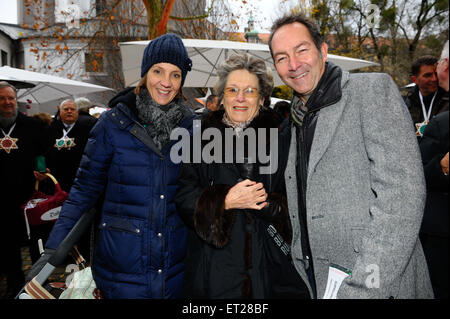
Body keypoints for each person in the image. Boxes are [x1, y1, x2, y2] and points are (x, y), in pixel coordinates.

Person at [268, 14, 433, 299]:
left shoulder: (370, 92)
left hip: (375, 283)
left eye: (301, 50)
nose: (293, 65)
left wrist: (363, 287)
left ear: (322, 50)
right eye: (281, 58)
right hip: (318, 282)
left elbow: (403, 197)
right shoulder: (294, 120)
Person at [27, 33, 196, 299]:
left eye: (176, 74)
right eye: (158, 71)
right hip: (122, 266)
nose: (166, 82)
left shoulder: (191, 127)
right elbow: (83, 192)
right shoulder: (112, 124)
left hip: (173, 268)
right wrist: (52, 251)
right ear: (145, 73)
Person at [175, 53, 309, 299]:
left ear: (261, 98)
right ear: (222, 97)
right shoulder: (199, 140)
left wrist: (268, 204)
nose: (240, 98)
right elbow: (183, 196)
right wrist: (224, 200)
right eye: (232, 89)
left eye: (249, 91)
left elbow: (301, 197)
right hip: (213, 272)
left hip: (267, 269)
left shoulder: (282, 140)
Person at [0, 81, 47, 298]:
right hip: (2, 197)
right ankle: (14, 282)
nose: (7, 102)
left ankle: (38, 282)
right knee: (7, 243)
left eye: (10, 98)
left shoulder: (33, 126)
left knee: (35, 241)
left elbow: (42, 154)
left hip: (29, 194)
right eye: (2, 98)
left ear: (15, 100)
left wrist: (42, 169)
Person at [419, 40, 449, 299]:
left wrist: (441, 168)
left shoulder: (442, 120)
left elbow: (421, 176)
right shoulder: (408, 103)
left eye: (437, 65)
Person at [403, 55, 448, 137]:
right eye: (428, 75)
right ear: (415, 80)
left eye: (436, 74)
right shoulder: (406, 104)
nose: (434, 79)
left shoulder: (446, 100)